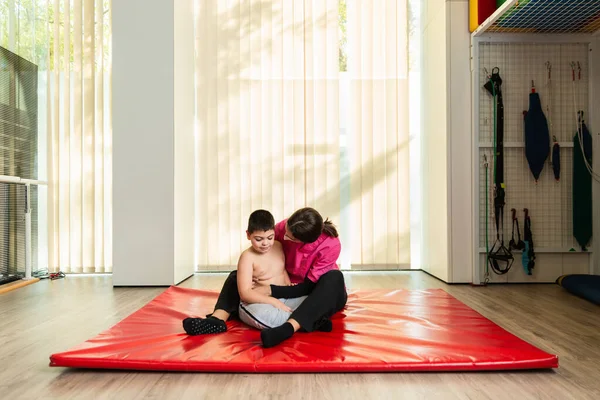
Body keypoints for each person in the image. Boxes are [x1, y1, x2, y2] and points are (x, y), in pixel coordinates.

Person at [183, 207, 347, 348]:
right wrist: (256, 274)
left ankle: (290, 328)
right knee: (238, 275)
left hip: (313, 291)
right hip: (284, 287)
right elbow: (262, 247)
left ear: (302, 241)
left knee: (334, 277)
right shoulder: (286, 227)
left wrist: (270, 291)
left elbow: (308, 286)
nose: (283, 236)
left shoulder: (331, 245)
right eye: (283, 231)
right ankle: (217, 319)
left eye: (289, 238)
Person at [235, 209, 308, 330]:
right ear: (248, 235)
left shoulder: (278, 246)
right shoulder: (247, 257)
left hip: (284, 298)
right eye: (259, 239)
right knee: (264, 315)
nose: (265, 243)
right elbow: (245, 293)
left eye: (270, 237)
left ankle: (297, 320)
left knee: (314, 300)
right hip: (259, 302)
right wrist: (274, 302)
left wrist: (290, 287)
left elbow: (282, 270)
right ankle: (303, 321)